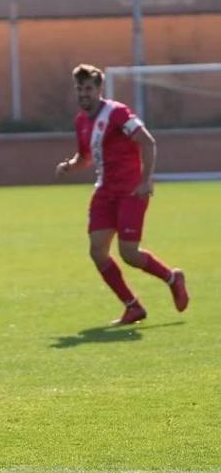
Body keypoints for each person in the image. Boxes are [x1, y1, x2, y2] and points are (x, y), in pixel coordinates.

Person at [55, 64, 189, 325]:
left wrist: (146, 179)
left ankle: (172, 278)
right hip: (104, 191)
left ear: (99, 89)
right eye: (79, 88)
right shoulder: (81, 121)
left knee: (128, 253)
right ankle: (133, 306)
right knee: (97, 252)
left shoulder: (117, 113)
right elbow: (85, 157)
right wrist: (70, 166)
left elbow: (147, 142)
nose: (83, 94)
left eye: (88, 89)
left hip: (130, 190)